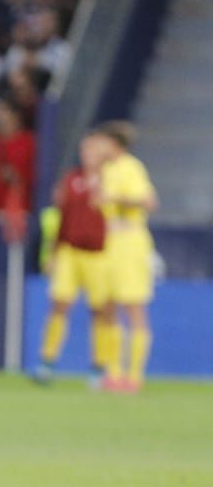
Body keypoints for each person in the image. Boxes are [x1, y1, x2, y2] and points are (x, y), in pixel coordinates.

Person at [34, 133, 114, 385]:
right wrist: (53, 253)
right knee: (60, 303)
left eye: (92, 150)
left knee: (101, 310)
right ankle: (47, 362)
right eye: (84, 150)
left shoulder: (112, 180)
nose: (87, 155)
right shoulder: (71, 179)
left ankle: (99, 366)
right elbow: (62, 217)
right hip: (70, 251)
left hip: (99, 253)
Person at [94, 121, 157, 393]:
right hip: (107, 241)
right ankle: (114, 373)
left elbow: (148, 202)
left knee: (133, 306)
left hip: (130, 239)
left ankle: (134, 375)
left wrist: (115, 198)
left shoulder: (131, 167)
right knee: (106, 307)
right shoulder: (102, 170)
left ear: (114, 143)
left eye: (104, 142)